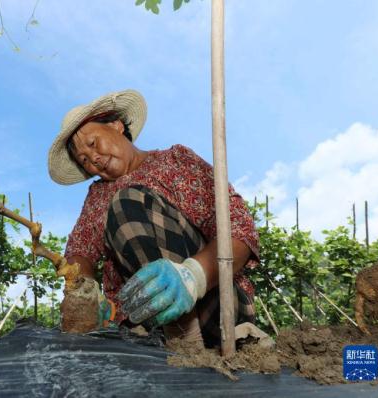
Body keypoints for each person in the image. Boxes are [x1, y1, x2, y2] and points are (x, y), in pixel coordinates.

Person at [48, 89, 259, 346]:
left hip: (218, 309)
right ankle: (169, 339)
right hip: (144, 325)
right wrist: (86, 293)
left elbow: (239, 229)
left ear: (116, 126)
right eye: (84, 160)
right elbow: (80, 251)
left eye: (93, 144)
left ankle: (186, 341)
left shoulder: (176, 161)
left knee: (128, 205)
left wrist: (193, 276)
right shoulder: (96, 196)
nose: (93, 158)